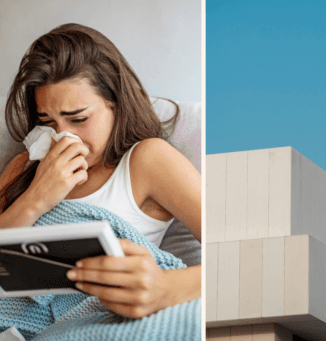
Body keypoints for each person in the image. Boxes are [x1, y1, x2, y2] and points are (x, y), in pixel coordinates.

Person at [0, 23, 201, 319]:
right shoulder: (25, 165)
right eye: (49, 122)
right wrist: (36, 198)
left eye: (78, 119)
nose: (65, 138)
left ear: (115, 103)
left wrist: (163, 286)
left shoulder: (147, 161)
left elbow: (232, 254)